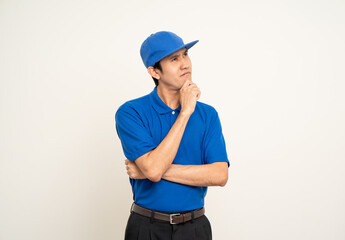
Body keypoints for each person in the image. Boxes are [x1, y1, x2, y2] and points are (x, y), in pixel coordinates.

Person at [115, 31, 230, 240]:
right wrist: (185, 113)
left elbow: (220, 175)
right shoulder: (131, 112)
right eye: (174, 59)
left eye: (185, 55)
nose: (185, 64)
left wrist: (151, 170)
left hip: (195, 228)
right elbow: (153, 170)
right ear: (154, 72)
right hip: (146, 228)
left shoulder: (208, 114)